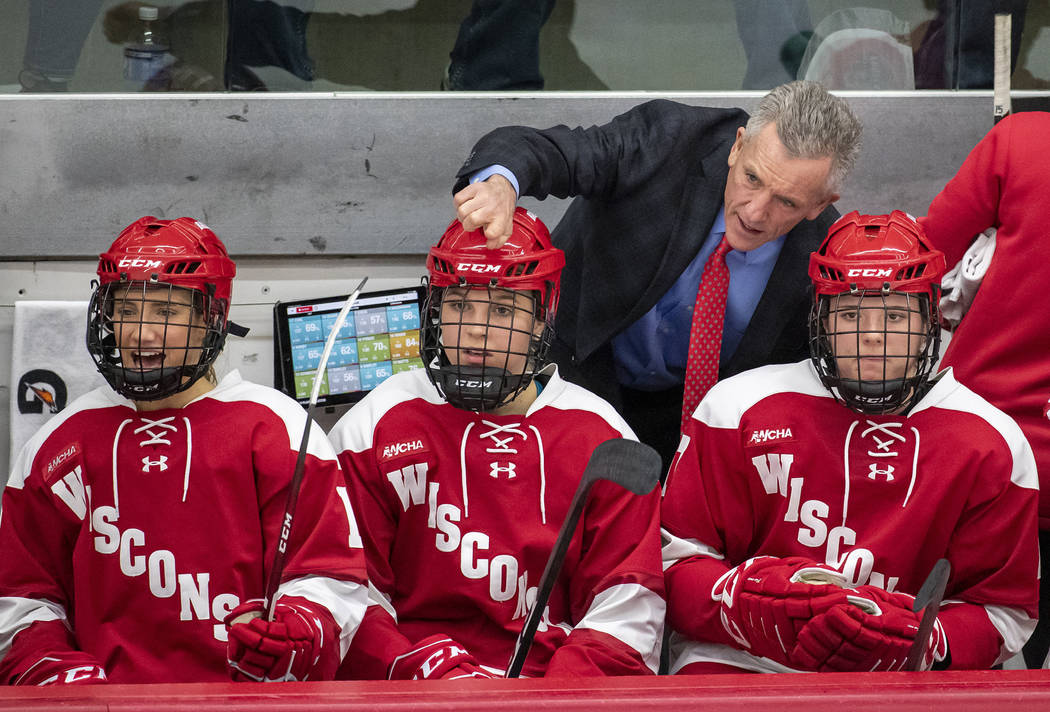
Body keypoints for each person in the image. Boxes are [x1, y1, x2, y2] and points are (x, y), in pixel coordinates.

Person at [661, 210, 1039, 674]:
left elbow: (1004, 610)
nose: (873, 336)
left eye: (896, 314)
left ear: (928, 320)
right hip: (744, 661)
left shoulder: (993, 443)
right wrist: (748, 603)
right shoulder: (736, 409)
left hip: (904, 683)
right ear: (819, 319)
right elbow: (672, 565)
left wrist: (926, 641)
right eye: (850, 313)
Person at [0, 216, 368, 685]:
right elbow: (22, 594)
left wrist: (297, 631)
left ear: (211, 318)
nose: (140, 334)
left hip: (249, 702)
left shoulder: (278, 428)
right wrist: (48, 663)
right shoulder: (58, 443)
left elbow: (329, 573)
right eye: (127, 309)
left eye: (166, 313)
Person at [452, 80, 862, 472]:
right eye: (752, 179)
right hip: (577, 364)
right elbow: (553, 150)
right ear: (737, 147)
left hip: (691, 417)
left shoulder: (823, 257)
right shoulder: (669, 141)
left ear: (818, 204)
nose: (754, 212)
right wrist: (502, 183)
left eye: (786, 201)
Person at [329, 208, 664, 680]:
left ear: (543, 317)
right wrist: (416, 668)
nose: (477, 329)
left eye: (504, 309)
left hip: (548, 690)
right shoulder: (375, 423)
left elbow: (630, 604)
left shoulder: (602, 436)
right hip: (413, 689)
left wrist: (558, 694)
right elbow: (343, 585)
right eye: (459, 304)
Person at [920, 110, 1050, 669]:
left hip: (989, 449)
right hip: (993, 452)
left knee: (974, 647)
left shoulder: (1026, 142)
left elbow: (922, 256)